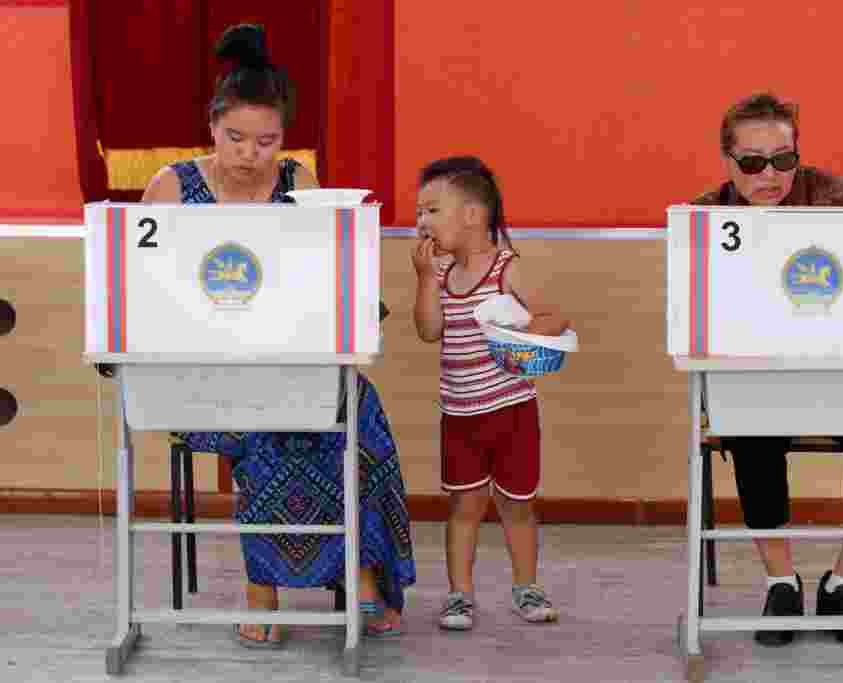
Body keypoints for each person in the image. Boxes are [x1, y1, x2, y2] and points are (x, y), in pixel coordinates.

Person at [141, 24, 414, 647]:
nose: (250, 154)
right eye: (235, 138)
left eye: (267, 141)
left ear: (284, 140)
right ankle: (263, 588)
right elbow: (144, 292)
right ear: (212, 128)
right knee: (274, 423)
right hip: (202, 376)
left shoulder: (300, 185)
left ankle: (363, 571)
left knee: (355, 408)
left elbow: (329, 279)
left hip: (292, 361)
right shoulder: (172, 187)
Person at [693, 93, 843, 648]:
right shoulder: (705, 218)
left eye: (783, 160)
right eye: (752, 162)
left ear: (798, 155)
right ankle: (781, 584)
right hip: (758, 383)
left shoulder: (839, 201)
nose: (769, 175)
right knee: (750, 429)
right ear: (727, 161)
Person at [411, 156, 570, 631]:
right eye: (419, 212)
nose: (422, 222)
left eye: (432, 210)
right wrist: (424, 279)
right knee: (463, 506)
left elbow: (554, 317)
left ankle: (527, 587)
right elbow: (428, 330)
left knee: (516, 505)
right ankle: (459, 595)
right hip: (459, 414)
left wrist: (519, 338)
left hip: (511, 411)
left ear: (473, 216)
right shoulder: (440, 274)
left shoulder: (507, 269)